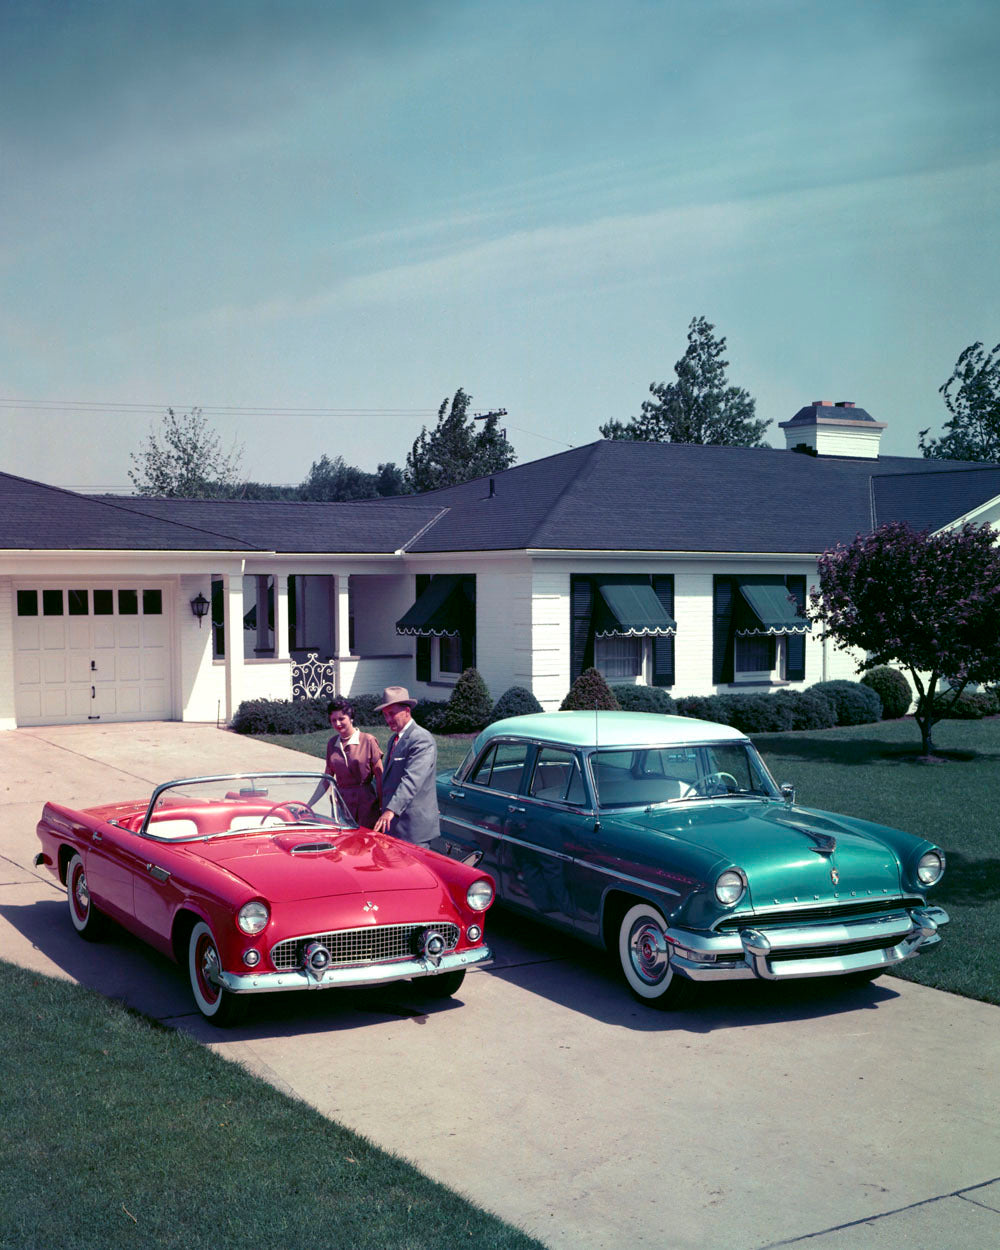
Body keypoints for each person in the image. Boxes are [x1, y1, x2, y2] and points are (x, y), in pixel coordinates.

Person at [372, 686, 440, 845]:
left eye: (392, 713)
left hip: (413, 830)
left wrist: (390, 810)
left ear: (407, 711)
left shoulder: (421, 739)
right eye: (385, 715)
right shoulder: (394, 740)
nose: (388, 719)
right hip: (394, 827)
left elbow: (412, 780)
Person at [307, 698, 382, 827]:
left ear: (351, 718)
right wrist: (309, 805)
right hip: (342, 804)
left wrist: (383, 806)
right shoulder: (332, 743)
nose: (338, 723)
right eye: (333, 720)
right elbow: (327, 779)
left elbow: (380, 776)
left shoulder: (368, 740)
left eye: (341, 719)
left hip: (366, 803)